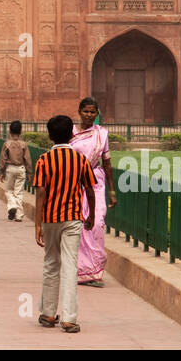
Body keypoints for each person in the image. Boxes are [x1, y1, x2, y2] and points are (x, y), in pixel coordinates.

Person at [32, 114, 98, 333]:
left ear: (49, 136)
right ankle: (69, 318)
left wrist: (38, 224)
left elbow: (40, 192)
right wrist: (91, 215)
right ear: (72, 134)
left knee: (51, 263)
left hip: (50, 218)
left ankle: (48, 314)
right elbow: (89, 188)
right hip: (72, 217)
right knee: (70, 265)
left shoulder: (43, 160)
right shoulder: (80, 160)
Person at [71, 97, 117, 286]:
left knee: (96, 223)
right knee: (79, 225)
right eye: (86, 112)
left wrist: (112, 190)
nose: (89, 115)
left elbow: (107, 162)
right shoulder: (70, 132)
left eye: (92, 112)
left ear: (97, 114)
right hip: (75, 183)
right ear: (79, 112)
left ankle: (94, 271)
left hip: (95, 181)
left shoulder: (101, 134)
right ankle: (81, 270)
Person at [0, 120, 32, 222]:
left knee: (9, 191)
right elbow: (28, 159)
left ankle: (12, 206)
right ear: (20, 131)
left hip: (10, 169)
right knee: (19, 192)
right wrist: (29, 173)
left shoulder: (7, 144)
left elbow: (2, 159)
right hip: (21, 169)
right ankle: (19, 215)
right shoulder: (23, 144)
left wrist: (1, 171)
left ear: (10, 131)